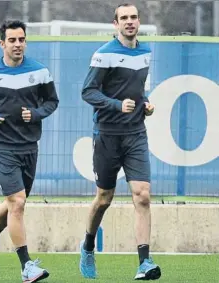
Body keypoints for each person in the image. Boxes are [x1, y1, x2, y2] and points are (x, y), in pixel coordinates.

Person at [0, 20, 59, 283]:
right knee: (17, 202)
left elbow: (52, 101)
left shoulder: (40, 72)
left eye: (22, 39)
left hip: (29, 146)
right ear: (2, 43)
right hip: (0, 145)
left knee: (13, 203)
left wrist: (37, 114)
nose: (18, 44)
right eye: (12, 40)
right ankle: (27, 266)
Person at [79, 3, 161, 281]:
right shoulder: (103, 55)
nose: (130, 22)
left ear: (139, 21)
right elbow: (87, 92)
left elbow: (139, 90)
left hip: (136, 133)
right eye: (124, 18)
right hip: (107, 135)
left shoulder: (145, 52)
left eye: (133, 17)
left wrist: (146, 104)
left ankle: (144, 262)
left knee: (143, 195)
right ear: (115, 24)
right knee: (104, 199)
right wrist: (116, 104)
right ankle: (88, 246)